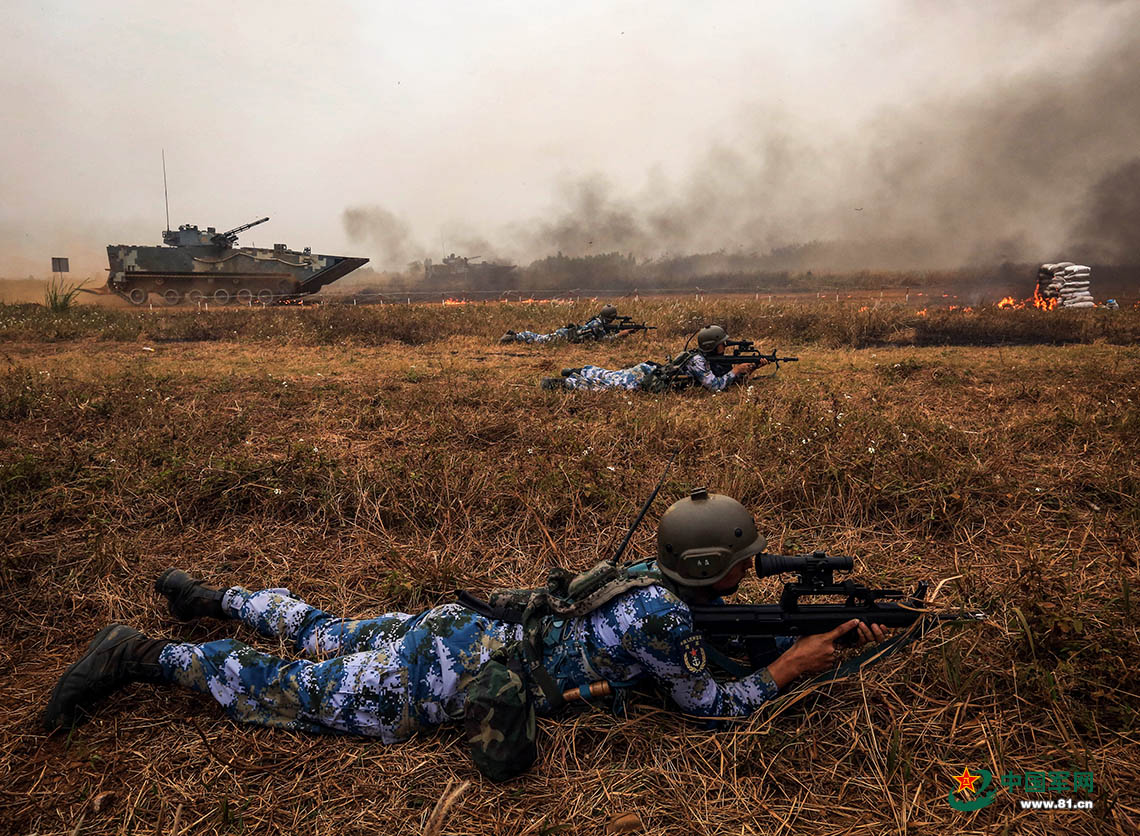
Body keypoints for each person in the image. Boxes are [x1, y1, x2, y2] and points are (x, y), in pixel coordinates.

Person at [43, 491, 888, 752]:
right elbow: (709, 706)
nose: (751, 570)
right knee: (293, 687)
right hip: (442, 671)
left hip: (457, 623)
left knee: (329, 630)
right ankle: (141, 654)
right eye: (742, 561)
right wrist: (792, 665)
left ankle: (216, 597)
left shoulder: (645, 578)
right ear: (709, 570)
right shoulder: (665, 619)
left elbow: (693, 629)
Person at [540, 324, 766, 392]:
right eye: (721, 343)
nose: (725, 346)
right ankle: (565, 383)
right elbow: (714, 386)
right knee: (607, 386)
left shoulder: (701, 357)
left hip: (648, 370)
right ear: (713, 345)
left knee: (612, 375)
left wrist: (749, 369)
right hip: (646, 378)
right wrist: (735, 372)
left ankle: (579, 371)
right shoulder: (698, 361)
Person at [500, 304, 633, 344]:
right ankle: (514, 336)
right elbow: (603, 340)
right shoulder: (597, 325)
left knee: (541, 338)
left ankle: (515, 336)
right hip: (565, 336)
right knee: (540, 339)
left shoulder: (598, 322)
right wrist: (621, 334)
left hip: (568, 335)